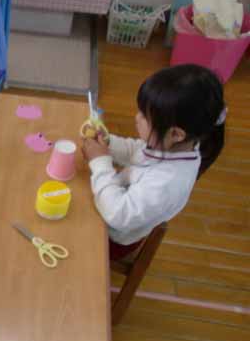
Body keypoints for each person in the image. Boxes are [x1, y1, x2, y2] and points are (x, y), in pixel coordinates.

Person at [82, 65, 226, 259]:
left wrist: (100, 162)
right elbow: (137, 151)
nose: (136, 118)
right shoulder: (177, 146)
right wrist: (109, 143)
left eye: (144, 116)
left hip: (110, 238)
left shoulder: (167, 183)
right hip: (108, 204)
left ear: (176, 134)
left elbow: (118, 214)